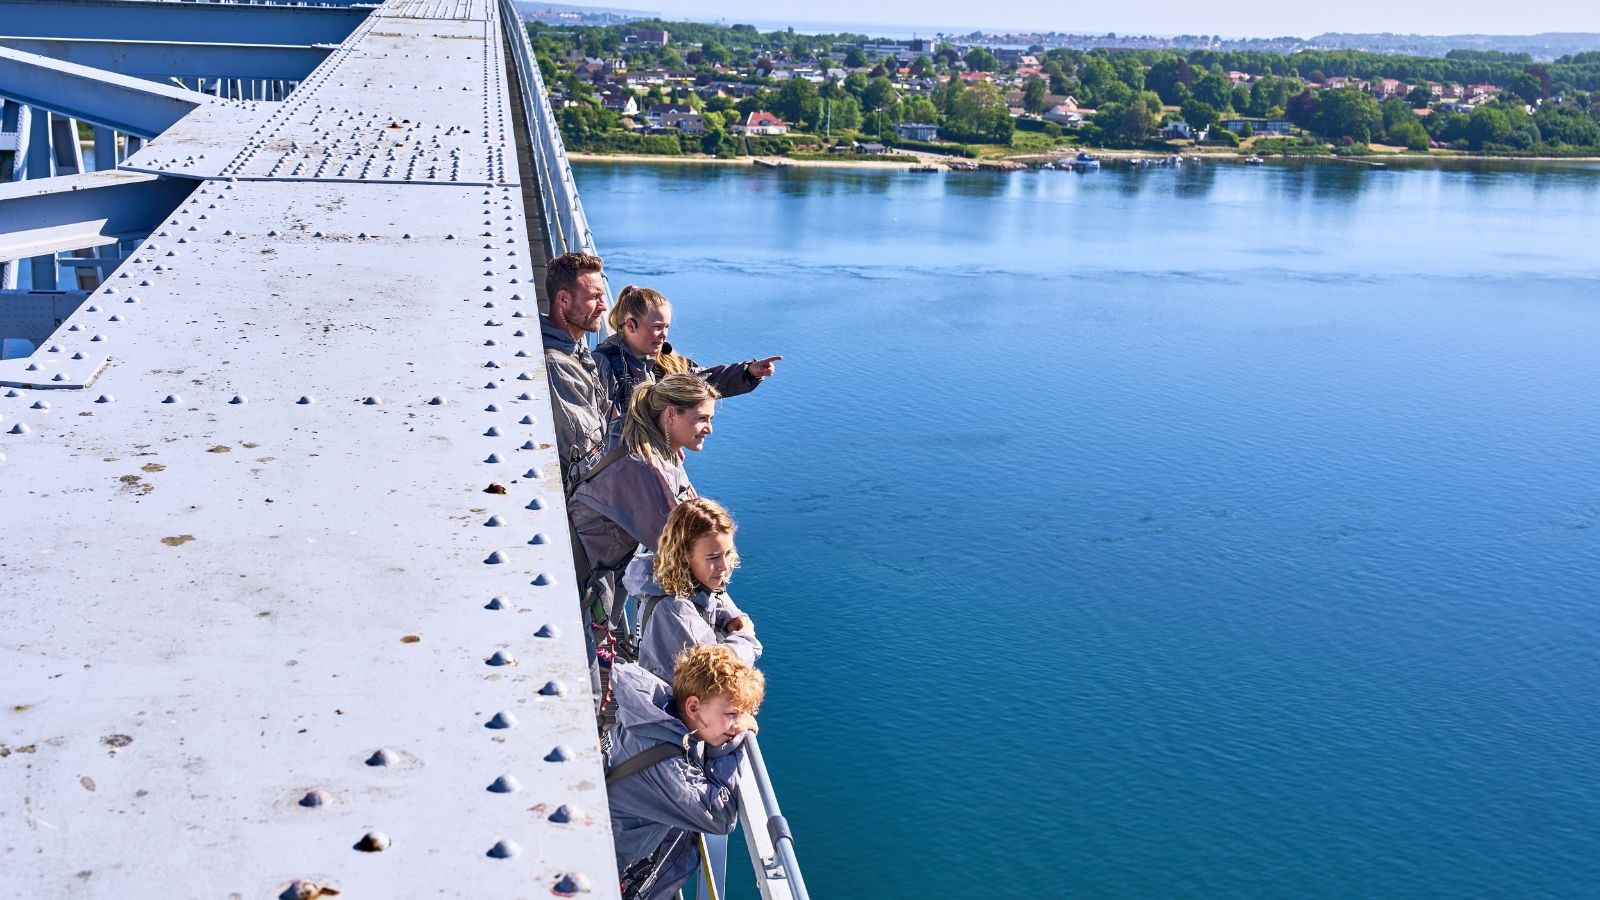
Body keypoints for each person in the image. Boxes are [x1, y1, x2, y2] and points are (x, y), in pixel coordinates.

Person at [607, 644, 763, 900]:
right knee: (687, 840)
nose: (739, 724)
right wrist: (729, 747)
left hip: (600, 832)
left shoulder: (653, 714)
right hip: (602, 864)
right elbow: (719, 817)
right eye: (732, 713)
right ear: (693, 708)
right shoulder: (664, 762)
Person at [570, 374, 719, 640]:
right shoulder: (643, 468)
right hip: (578, 581)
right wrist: (722, 611)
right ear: (671, 414)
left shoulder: (638, 435)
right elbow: (683, 547)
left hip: (582, 562)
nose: (710, 428)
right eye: (702, 419)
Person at [594, 286, 780, 445]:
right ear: (630, 325)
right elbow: (604, 423)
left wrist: (748, 371)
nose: (664, 334)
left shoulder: (664, 362)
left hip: (655, 454)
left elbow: (704, 382)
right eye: (658, 327)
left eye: (667, 327)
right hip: (626, 462)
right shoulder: (604, 364)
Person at [624, 498, 761, 682]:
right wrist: (745, 638)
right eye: (713, 557)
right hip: (678, 707)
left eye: (727, 553)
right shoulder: (674, 609)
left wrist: (726, 617)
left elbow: (704, 603)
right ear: (683, 555)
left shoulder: (684, 584)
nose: (724, 565)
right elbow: (716, 674)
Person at [540, 251, 609, 490]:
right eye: (594, 297)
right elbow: (588, 457)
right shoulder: (557, 366)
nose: (604, 305)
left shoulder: (574, 343)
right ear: (563, 300)